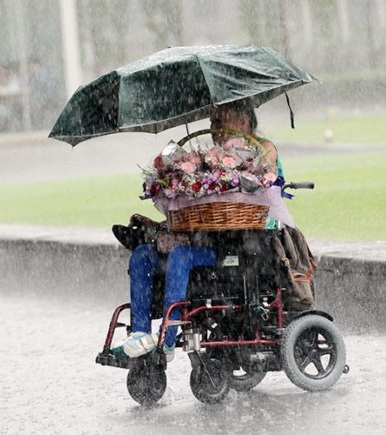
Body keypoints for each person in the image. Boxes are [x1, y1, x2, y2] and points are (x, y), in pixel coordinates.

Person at [113, 100, 283, 362]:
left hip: (244, 243)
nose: (213, 128)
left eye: (219, 121)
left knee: (181, 256)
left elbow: (261, 181)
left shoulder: (264, 150)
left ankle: (166, 341)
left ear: (242, 121)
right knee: (142, 255)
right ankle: (140, 335)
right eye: (212, 122)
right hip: (204, 238)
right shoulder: (211, 159)